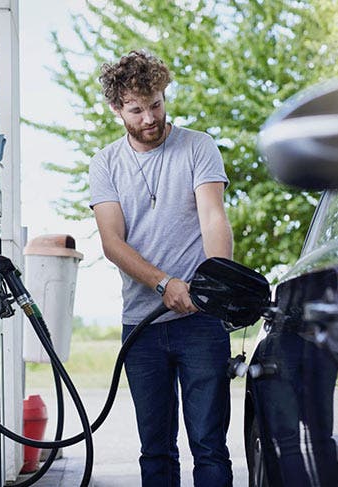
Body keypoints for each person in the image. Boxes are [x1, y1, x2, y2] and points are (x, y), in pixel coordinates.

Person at [88, 50, 235, 487]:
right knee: (156, 450)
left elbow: (213, 217)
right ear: (117, 109)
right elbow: (113, 242)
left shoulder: (198, 146)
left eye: (156, 104)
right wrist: (164, 284)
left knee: (210, 445)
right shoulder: (106, 163)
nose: (149, 117)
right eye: (136, 109)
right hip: (142, 325)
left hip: (201, 321)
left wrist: (214, 285)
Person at [252, 260, 338, 486]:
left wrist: (337, 316)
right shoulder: (335, 263)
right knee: (304, 440)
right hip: (302, 346)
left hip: (315, 351)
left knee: (299, 441)